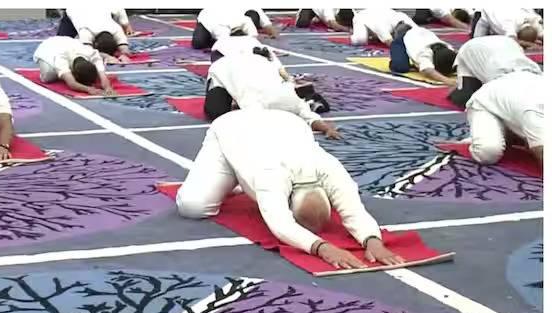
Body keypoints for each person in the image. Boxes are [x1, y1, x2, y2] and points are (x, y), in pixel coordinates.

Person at [175, 109, 404, 270]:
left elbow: (354, 210)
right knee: (193, 206)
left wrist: (373, 241)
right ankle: (234, 173)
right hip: (232, 127)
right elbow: (281, 224)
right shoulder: (271, 176)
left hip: (288, 122)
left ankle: (233, 178)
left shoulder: (330, 167)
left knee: (234, 182)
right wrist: (322, 248)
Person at [204, 52, 337, 137]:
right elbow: (311, 118)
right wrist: (327, 129)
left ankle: (310, 97)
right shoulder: (262, 101)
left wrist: (326, 129)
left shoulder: (289, 98)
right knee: (218, 113)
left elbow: (310, 118)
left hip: (256, 83)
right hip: (226, 72)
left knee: (220, 114)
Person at [465, 71, 544, 167]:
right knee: (488, 152)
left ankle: (517, 132)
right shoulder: (535, 109)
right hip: (487, 104)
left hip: (514, 98)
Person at [448, 36, 542, 107]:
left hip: (506, 43)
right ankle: (458, 89)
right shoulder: (498, 78)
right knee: (466, 99)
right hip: (472, 49)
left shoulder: (535, 70)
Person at [33, 36, 115, 96]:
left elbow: (103, 77)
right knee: (48, 77)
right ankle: (64, 73)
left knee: (99, 73)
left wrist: (108, 87)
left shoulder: (93, 54)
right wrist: (89, 89)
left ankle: (66, 73)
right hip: (48, 47)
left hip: (69, 42)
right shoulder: (61, 57)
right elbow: (71, 83)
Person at [388, 25, 457, 86]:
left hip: (421, 33)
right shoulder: (424, 53)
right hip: (403, 36)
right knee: (400, 68)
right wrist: (447, 81)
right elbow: (428, 71)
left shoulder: (450, 49)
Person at [64, 7, 134, 63]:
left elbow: (124, 48)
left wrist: (124, 55)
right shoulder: (85, 31)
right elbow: (87, 51)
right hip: (74, 10)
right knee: (63, 43)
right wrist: (106, 57)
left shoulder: (116, 29)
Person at [193, 7, 277, 50]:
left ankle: (240, 38)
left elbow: (265, 25)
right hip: (208, 23)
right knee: (199, 43)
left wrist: (271, 31)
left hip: (238, 23)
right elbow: (223, 44)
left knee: (253, 14)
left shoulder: (246, 20)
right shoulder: (218, 26)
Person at [472, 9, 543, 50]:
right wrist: (530, 44)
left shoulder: (534, 18)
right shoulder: (508, 24)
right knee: (477, 45)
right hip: (485, 17)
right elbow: (511, 41)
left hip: (501, 12)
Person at [350, 8, 417, 46]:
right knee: (360, 40)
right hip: (362, 17)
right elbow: (391, 43)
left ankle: (377, 36)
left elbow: (419, 32)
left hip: (384, 12)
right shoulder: (381, 25)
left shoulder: (403, 17)